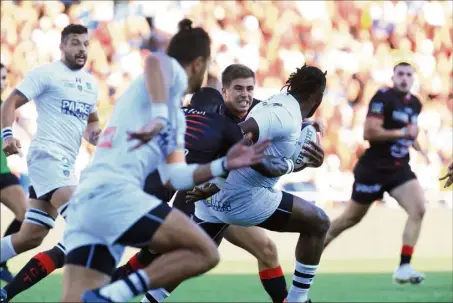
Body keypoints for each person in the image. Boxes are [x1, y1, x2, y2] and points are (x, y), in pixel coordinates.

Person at [60, 19, 270, 303]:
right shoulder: (168, 76)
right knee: (205, 252)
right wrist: (159, 117)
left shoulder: (175, 112)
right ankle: (114, 295)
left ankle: (106, 296)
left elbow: (177, 177)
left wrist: (223, 165)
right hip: (116, 195)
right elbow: (154, 63)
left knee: (76, 300)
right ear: (199, 63)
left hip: (86, 200)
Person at [116, 64, 315, 303]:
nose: (245, 95)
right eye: (238, 89)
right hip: (198, 194)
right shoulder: (212, 115)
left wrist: (311, 127)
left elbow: (287, 121)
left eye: (249, 89)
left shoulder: (257, 109)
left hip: (229, 194)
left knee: (265, 251)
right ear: (224, 92)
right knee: (174, 254)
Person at [183, 64, 329, 303]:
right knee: (319, 222)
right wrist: (286, 164)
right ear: (318, 97)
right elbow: (236, 134)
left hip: (219, 192)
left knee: (190, 258)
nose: (246, 94)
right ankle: (298, 298)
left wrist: (218, 180)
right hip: (243, 198)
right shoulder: (283, 114)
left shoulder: (281, 103)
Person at [0, 24, 101, 302]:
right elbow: (9, 104)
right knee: (84, 222)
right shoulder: (46, 74)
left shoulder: (91, 84)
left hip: (68, 165)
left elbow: (91, 125)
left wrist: (102, 138)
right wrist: (7, 135)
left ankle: (4, 294)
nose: (81, 49)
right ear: (62, 47)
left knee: (30, 237)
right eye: (75, 43)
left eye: (85, 44)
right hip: (47, 157)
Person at [324, 62, 427, 285]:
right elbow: (369, 132)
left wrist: (420, 148)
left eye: (409, 74)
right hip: (374, 169)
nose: (404, 78)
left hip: (399, 168)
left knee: (418, 208)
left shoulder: (416, 103)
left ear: (413, 79)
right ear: (393, 76)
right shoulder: (383, 97)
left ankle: (404, 266)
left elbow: (410, 132)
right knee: (349, 219)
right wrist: (401, 132)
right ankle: (309, 253)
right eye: (400, 73)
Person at [0, 63, 28, 283]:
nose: (2, 83)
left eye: (3, 78)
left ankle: (0, 261)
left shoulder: (4, 107)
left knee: (25, 213)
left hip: (2, 172)